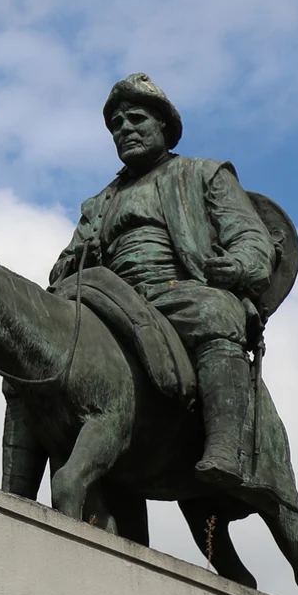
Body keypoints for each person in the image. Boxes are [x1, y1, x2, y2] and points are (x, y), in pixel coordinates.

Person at [50, 73, 273, 488]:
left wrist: (237, 268)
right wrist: (75, 264)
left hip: (178, 291)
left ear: (163, 127)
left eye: (135, 119)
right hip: (109, 298)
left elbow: (252, 239)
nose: (125, 130)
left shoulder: (205, 174)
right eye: (116, 125)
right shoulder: (99, 203)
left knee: (217, 310)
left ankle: (225, 445)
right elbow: (62, 264)